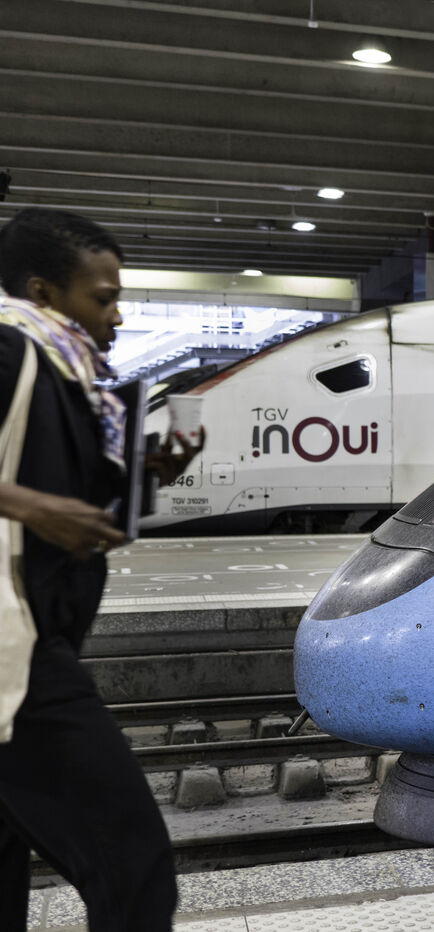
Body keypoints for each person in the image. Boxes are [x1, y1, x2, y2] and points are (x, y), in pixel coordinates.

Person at [0, 208, 200, 931]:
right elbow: (39, 502)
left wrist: (150, 472)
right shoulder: (10, 350)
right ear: (43, 291)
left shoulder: (70, 376)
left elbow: (80, 505)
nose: (117, 315)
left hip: (36, 638)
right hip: (17, 655)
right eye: (104, 297)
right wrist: (27, 505)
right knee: (133, 866)